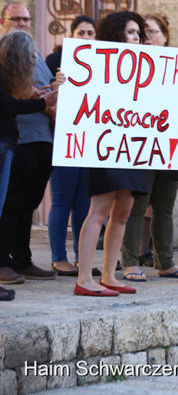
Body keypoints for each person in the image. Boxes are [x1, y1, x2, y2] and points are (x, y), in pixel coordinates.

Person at [74, 11, 150, 296]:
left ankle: (108, 275)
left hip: (133, 147)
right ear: (116, 34)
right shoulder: (96, 64)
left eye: (138, 33)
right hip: (105, 144)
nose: (136, 37)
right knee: (100, 210)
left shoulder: (148, 68)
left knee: (124, 213)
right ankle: (84, 278)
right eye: (130, 32)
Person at [121, 13, 178, 281]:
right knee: (136, 206)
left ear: (165, 36)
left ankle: (165, 262)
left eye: (152, 32)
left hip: (169, 145)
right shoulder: (129, 65)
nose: (146, 37)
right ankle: (130, 261)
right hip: (140, 145)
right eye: (142, 32)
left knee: (164, 206)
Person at [0, 3, 61, 285]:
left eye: (26, 18)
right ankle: (3, 262)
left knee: (30, 204)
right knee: (12, 203)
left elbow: (39, 92)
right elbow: (8, 102)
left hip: (43, 138)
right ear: (4, 21)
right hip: (17, 141)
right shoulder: (4, 54)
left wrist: (50, 94)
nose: (22, 23)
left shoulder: (35, 55)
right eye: (16, 18)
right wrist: (40, 101)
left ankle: (22, 260)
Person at [46, 15, 96, 276]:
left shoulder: (102, 64)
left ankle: (82, 258)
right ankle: (58, 258)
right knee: (62, 201)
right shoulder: (55, 62)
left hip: (89, 141)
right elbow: (48, 95)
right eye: (82, 33)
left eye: (90, 33)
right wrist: (58, 84)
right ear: (71, 35)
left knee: (83, 203)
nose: (86, 37)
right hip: (64, 140)